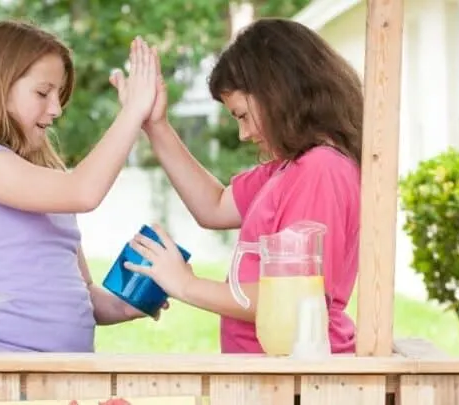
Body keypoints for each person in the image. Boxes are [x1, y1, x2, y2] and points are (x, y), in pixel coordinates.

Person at [110, 18, 363, 354]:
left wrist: (186, 284)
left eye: (242, 115)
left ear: (279, 92)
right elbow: (213, 206)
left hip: (296, 381)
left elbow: (292, 298)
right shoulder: (289, 168)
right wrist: (155, 125)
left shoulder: (320, 169)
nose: (243, 134)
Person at [0, 20, 163, 352]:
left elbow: (85, 295)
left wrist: (128, 304)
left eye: (59, 96)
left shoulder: (44, 183)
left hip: (63, 371)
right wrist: (132, 112)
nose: (56, 109)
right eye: (43, 92)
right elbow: (84, 191)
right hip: (9, 367)